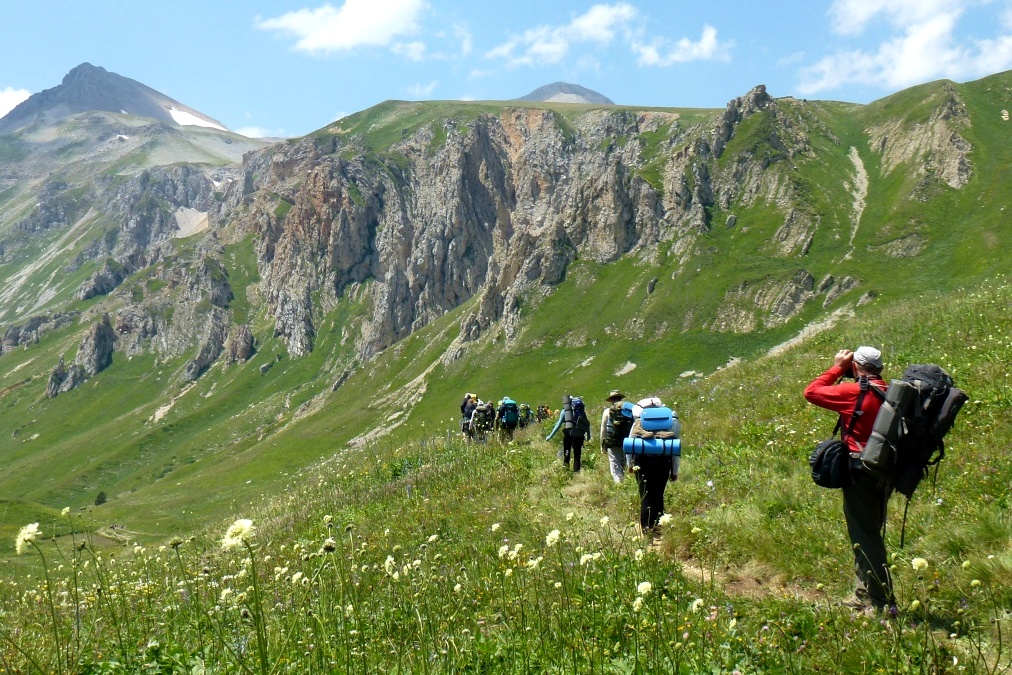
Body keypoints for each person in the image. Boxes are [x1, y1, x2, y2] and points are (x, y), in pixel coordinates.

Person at [804, 346, 894, 613]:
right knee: (867, 531)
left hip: (859, 472)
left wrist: (837, 368)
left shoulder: (854, 391)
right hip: (885, 471)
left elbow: (811, 392)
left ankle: (881, 604)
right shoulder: (891, 393)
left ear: (856, 366)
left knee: (866, 537)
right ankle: (862, 593)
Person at [628, 396, 679, 532]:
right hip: (663, 462)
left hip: (642, 462)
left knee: (645, 495)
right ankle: (658, 525)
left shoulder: (639, 421)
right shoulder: (670, 421)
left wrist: (630, 465)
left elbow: (630, 445)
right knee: (658, 494)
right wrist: (674, 471)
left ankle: (646, 527)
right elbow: (674, 449)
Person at [546, 395, 591, 472]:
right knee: (577, 455)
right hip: (579, 435)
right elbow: (586, 423)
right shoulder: (581, 411)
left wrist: (550, 436)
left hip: (568, 435)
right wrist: (588, 435)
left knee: (567, 452)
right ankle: (577, 472)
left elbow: (558, 425)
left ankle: (566, 470)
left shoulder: (565, 412)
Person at [600, 390, 631, 483]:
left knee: (614, 462)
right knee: (625, 461)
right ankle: (626, 480)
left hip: (612, 441)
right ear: (621, 398)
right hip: (626, 440)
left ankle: (619, 483)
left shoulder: (607, 411)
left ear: (611, 400)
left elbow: (603, 429)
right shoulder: (628, 410)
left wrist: (602, 445)